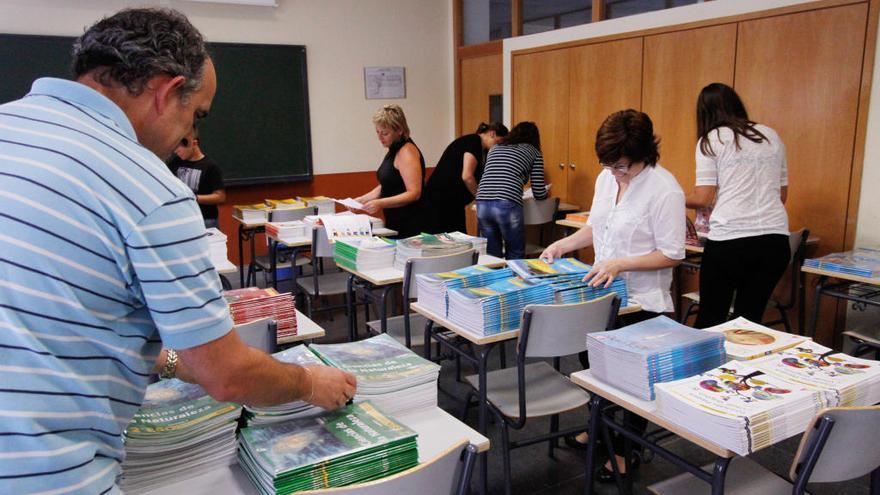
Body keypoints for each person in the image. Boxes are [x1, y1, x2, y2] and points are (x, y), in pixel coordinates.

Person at [0, 9, 355, 493]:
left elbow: (63, 317)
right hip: (52, 475)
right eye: (196, 114)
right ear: (167, 92)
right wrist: (309, 382)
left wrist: (174, 360)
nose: (186, 136)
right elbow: (228, 377)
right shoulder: (148, 188)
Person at [540, 109, 685, 481]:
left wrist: (621, 264)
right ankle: (600, 427)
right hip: (601, 293)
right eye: (609, 165)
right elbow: (596, 227)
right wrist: (563, 245)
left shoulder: (664, 189)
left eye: (622, 166)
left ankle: (626, 449)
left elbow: (672, 254)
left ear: (643, 154)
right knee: (595, 366)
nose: (615, 173)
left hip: (642, 301)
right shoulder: (607, 179)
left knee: (632, 379)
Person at [687, 82, 790, 329]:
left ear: (704, 113)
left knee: (711, 318)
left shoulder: (711, 140)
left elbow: (702, 198)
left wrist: (670, 197)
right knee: (748, 323)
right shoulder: (770, 135)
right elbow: (782, 196)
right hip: (775, 241)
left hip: (731, 241)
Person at [475, 121, 547, 259]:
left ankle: (494, 274)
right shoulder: (534, 152)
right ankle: (514, 274)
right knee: (515, 252)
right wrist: (545, 194)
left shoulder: (495, 148)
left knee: (492, 254)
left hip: (482, 200)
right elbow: (538, 191)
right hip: (506, 202)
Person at [354, 104, 425, 238]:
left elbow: (414, 193)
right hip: (395, 221)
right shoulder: (393, 149)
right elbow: (389, 184)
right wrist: (362, 199)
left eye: (385, 133)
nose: (380, 137)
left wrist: (380, 203)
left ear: (399, 130)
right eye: (378, 132)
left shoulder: (407, 152)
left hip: (410, 224)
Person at [424, 122, 508, 233]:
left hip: (453, 202)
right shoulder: (474, 141)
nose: (498, 146)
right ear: (492, 134)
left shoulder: (482, 150)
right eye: (499, 142)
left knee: (459, 236)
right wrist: (481, 198)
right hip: (441, 200)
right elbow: (467, 176)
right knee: (450, 237)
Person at [168, 127, 226, 228]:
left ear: (194, 143)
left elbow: (220, 197)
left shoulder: (210, 166)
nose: (176, 151)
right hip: (181, 217)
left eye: (180, 147)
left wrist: (195, 198)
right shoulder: (175, 163)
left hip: (205, 220)